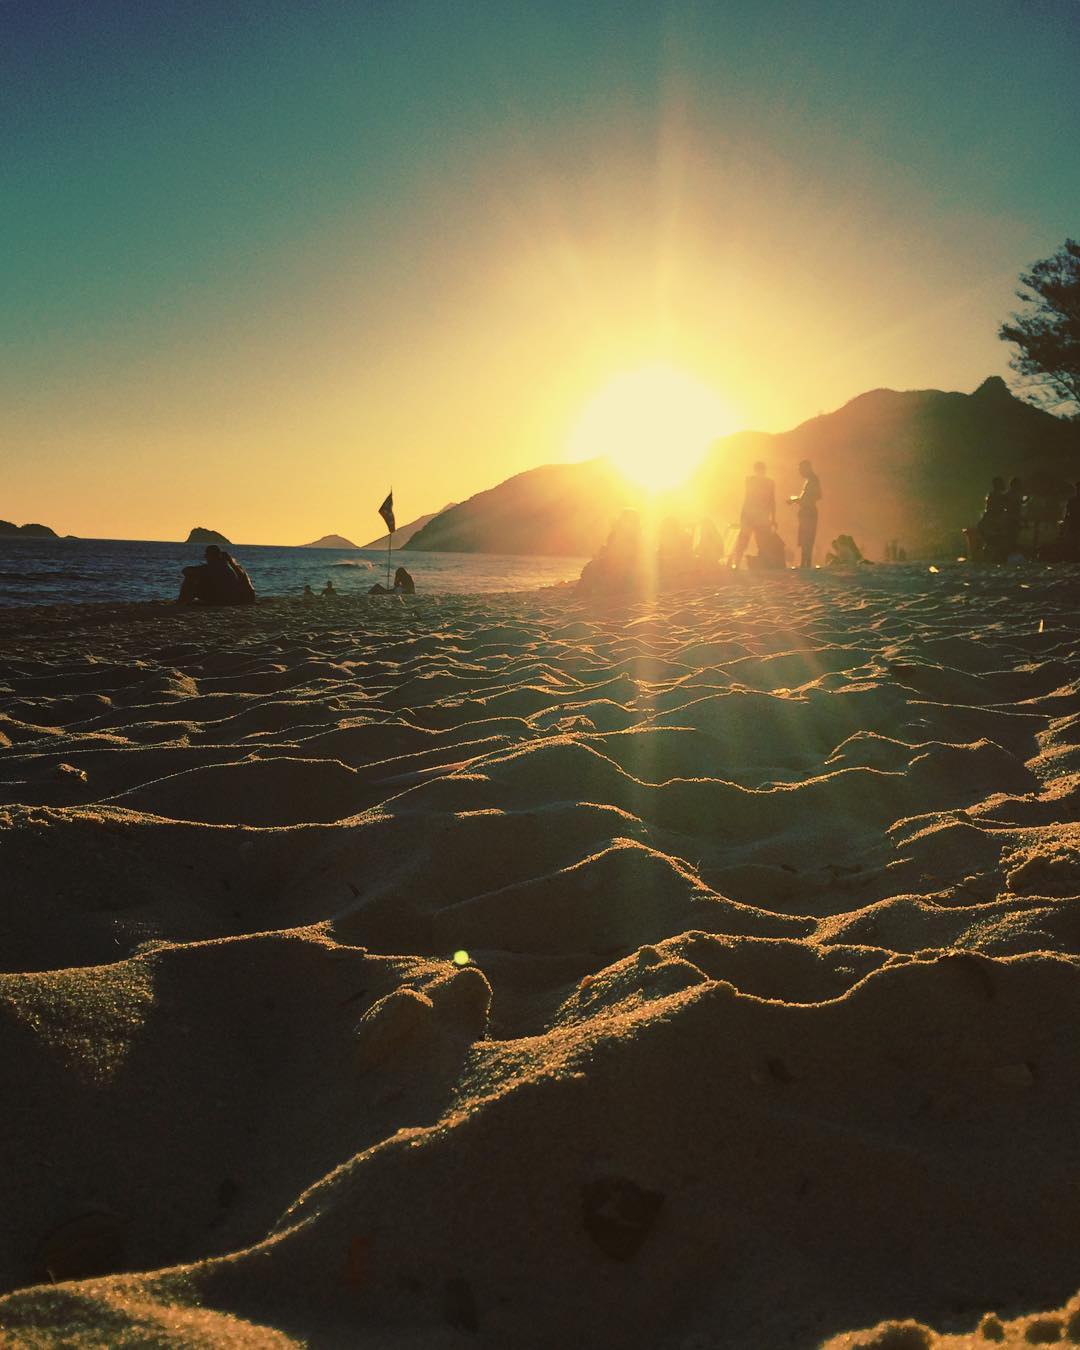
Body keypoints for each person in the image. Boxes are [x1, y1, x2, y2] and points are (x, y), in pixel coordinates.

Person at [730, 462, 776, 569]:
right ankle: (763, 564)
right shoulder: (769, 482)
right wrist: (773, 518)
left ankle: (736, 563)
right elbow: (772, 502)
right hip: (759, 516)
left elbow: (748, 498)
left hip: (752, 516)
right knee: (760, 542)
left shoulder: (751, 481)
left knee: (745, 541)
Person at [177, 545, 256, 605]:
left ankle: (181, 601)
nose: (207, 559)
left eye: (207, 556)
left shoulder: (214, 567)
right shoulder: (232, 567)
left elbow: (185, 571)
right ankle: (183, 601)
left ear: (211, 557)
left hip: (225, 599)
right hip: (238, 598)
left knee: (190, 577)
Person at [965, 476, 1009, 562]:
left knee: (991, 543)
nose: (1004, 485)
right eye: (1002, 484)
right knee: (992, 543)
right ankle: (986, 560)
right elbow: (997, 509)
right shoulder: (997, 497)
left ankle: (986, 560)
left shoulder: (994, 496)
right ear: (998, 485)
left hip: (987, 524)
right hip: (988, 524)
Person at [788, 460, 821, 568]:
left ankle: (805, 563)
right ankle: (805, 563)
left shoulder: (812, 480)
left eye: (801, 469)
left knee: (807, 538)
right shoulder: (810, 480)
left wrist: (794, 500)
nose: (800, 472)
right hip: (808, 512)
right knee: (806, 538)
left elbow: (812, 497)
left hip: (808, 512)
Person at [1003, 476, 1026, 556]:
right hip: (1012, 518)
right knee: (1012, 536)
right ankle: (1010, 552)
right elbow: (1017, 504)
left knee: (1011, 536)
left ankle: (1009, 552)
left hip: (1011, 518)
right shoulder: (1014, 494)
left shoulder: (1008, 494)